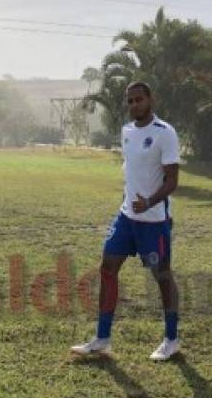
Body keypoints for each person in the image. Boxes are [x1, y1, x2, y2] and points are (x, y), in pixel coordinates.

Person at [71, 81, 182, 361]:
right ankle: (102, 338)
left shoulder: (165, 133)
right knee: (108, 268)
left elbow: (173, 181)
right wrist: (128, 202)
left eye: (138, 100)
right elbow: (131, 173)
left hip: (153, 222)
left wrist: (149, 203)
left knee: (162, 277)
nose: (134, 105)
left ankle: (171, 339)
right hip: (126, 218)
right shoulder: (127, 132)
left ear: (150, 100)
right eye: (130, 101)